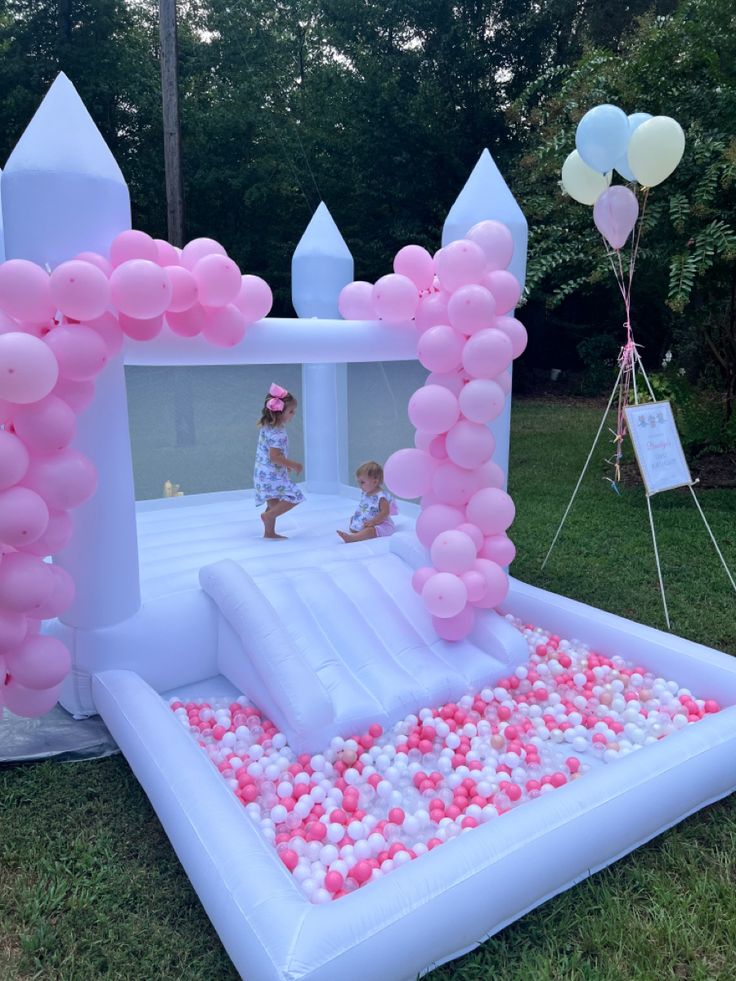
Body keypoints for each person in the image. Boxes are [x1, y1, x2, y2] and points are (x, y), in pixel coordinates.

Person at [254, 383, 304, 539]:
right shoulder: (278, 434)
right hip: (271, 475)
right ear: (279, 413)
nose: (293, 414)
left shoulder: (267, 426)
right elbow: (274, 456)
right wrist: (293, 464)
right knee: (295, 497)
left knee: (273, 503)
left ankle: (269, 532)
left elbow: (271, 454)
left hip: (262, 473)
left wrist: (284, 466)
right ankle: (268, 517)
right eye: (291, 411)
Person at [337, 461, 397, 543]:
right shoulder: (365, 493)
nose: (359, 485)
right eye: (358, 482)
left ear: (375, 482)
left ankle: (352, 538)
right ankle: (359, 533)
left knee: (370, 530)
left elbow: (385, 512)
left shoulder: (381, 497)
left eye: (362, 482)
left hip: (381, 523)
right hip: (369, 520)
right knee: (353, 519)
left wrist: (374, 521)